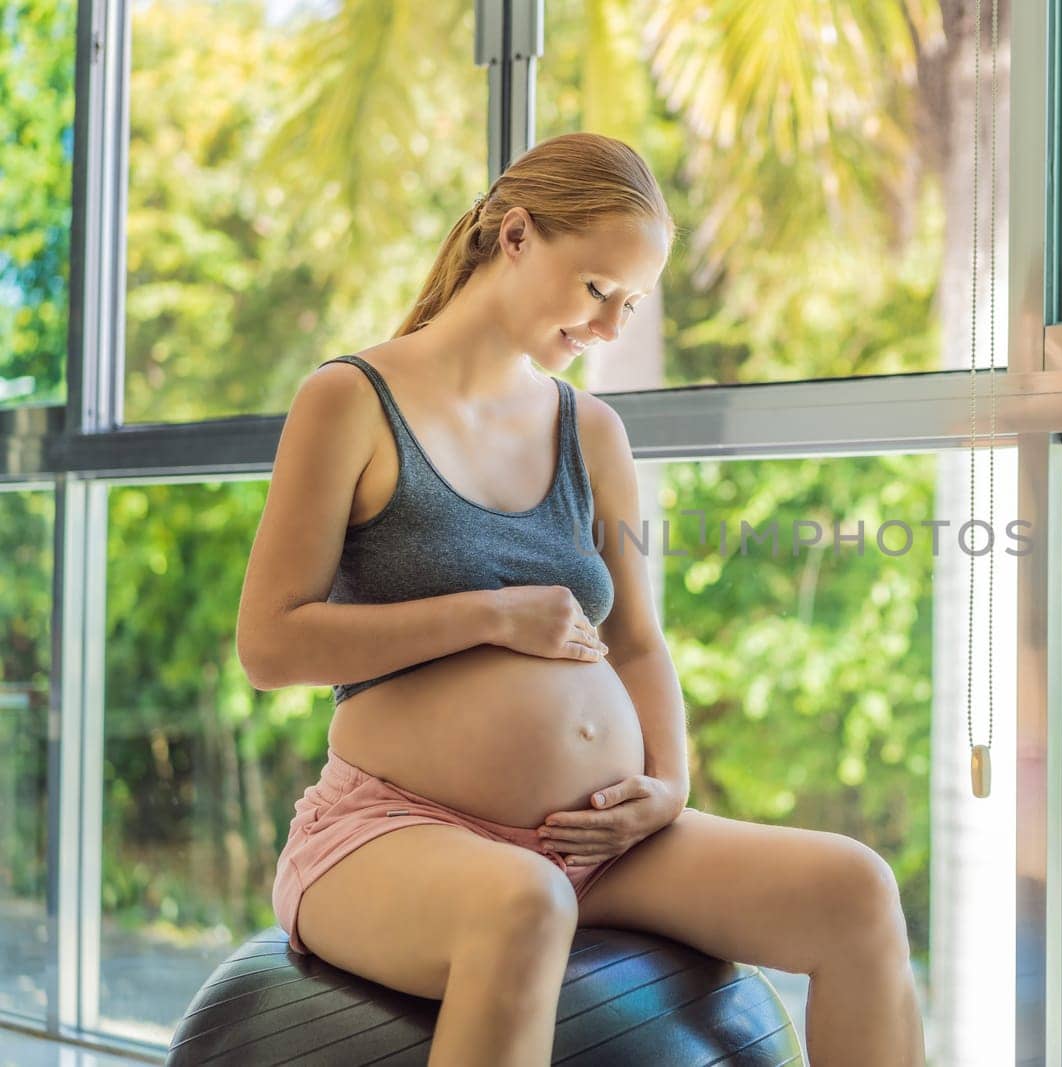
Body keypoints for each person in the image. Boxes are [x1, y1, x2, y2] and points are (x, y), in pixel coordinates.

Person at [234, 132, 927, 1067]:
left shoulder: (591, 432)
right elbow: (271, 645)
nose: (607, 329)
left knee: (856, 886)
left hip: (597, 842)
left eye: (629, 306)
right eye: (597, 290)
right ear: (514, 236)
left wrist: (669, 785)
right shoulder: (350, 399)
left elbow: (638, 641)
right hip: (390, 831)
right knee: (523, 903)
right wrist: (491, 613)